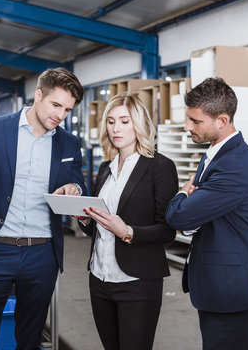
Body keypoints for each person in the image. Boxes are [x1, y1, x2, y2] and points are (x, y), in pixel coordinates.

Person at [0, 67, 86, 350]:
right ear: (38, 95)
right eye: (55, 105)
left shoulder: (69, 143)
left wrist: (74, 190)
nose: (60, 115)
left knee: (30, 341)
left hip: (42, 254)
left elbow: (78, 183)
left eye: (67, 109)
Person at [165, 77, 248, 350]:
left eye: (195, 121)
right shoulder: (215, 153)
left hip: (231, 290)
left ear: (222, 120)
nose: (187, 127)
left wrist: (183, 194)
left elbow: (179, 217)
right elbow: (203, 218)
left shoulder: (235, 165)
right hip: (217, 285)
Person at [79, 92, 178, 350]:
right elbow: (99, 227)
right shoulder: (106, 168)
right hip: (100, 278)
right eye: (111, 122)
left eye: (124, 121)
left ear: (139, 123)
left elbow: (167, 230)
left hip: (137, 282)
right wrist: (84, 218)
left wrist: (128, 232)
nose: (116, 128)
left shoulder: (159, 166)